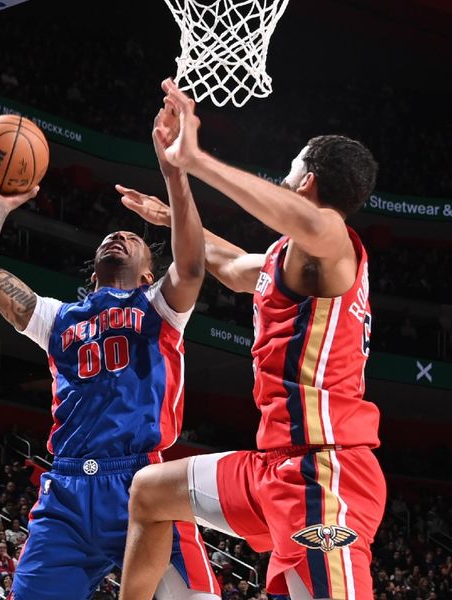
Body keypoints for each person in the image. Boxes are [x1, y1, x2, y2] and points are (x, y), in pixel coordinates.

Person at [118, 79, 385, 600]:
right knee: (149, 494)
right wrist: (175, 186)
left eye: (289, 169)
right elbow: (229, 264)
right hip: (273, 467)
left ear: (306, 181)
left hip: (325, 475)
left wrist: (197, 158)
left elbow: (310, 222)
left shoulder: (333, 242)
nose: (281, 178)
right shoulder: (289, 261)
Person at [0, 106, 219, 600]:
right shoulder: (57, 318)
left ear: (148, 273)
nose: (117, 234)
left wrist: (174, 174)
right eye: (110, 235)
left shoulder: (158, 306)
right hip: (67, 494)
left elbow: (190, 266)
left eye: (133, 237)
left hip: (143, 483)